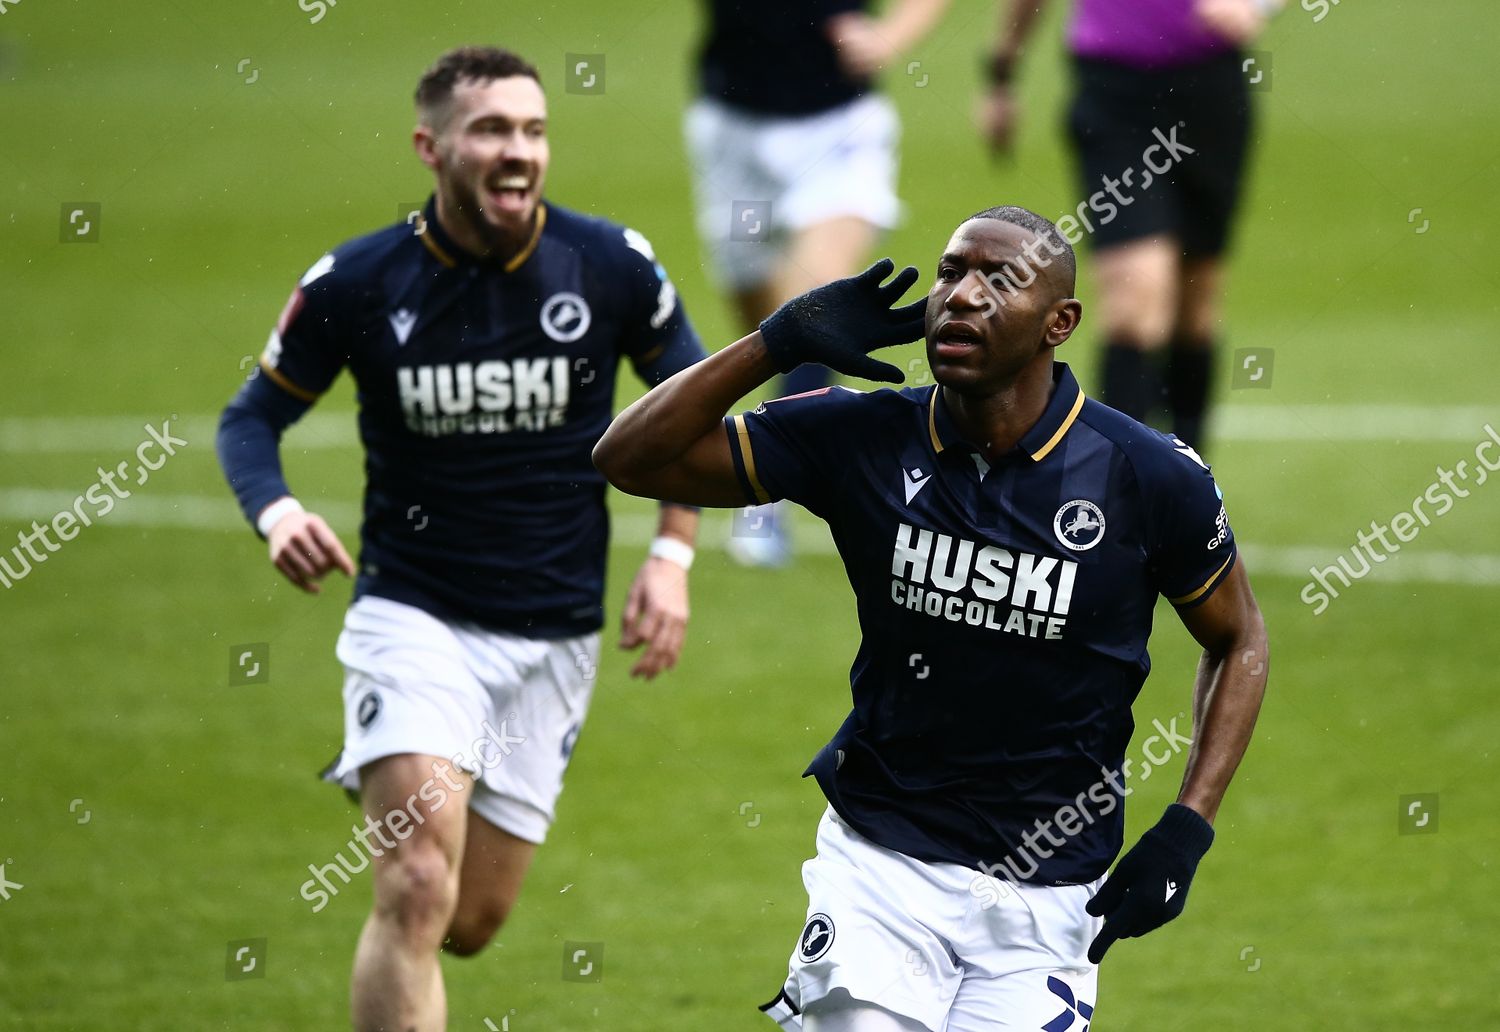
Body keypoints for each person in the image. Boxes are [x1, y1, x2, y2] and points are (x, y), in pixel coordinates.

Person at [594, 206, 1268, 1030]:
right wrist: (774, 343)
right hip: (883, 866)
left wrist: (1188, 826)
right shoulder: (862, 434)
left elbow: (1239, 640)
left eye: (999, 279)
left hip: (1051, 902)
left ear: (1060, 323)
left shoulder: (1147, 476)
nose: (964, 297)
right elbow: (627, 458)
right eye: (951, 273)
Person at [216, 46, 706, 1031]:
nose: (518, 150)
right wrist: (277, 514)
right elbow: (250, 420)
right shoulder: (359, 281)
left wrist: (671, 556)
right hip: (414, 613)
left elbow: (690, 410)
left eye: (533, 130)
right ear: (429, 146)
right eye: (491, 129)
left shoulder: (609, 266)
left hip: (554, 632)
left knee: (469, 920)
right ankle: (398, 761)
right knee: (414, 882)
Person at [686, 0, 949, 564]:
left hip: (839, 124)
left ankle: (764, 495)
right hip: (731, 121)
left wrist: (889, 36)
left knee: (811, 305)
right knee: (762, 317)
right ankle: (776, 434)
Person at [980, 0, 1281, 449]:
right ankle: (1116, 489)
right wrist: (1002, 73)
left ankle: (1189, 490)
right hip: (1115, 92)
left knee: (1195, 306)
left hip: (1211, 90)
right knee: (1133, 306)